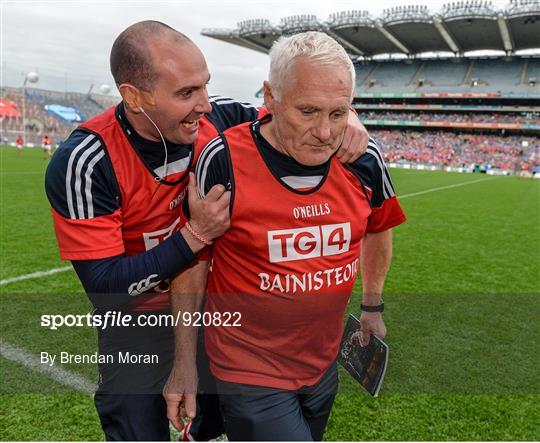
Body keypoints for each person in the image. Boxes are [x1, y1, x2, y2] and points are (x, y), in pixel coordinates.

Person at [44, 22, 370, 442]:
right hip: (138, 325)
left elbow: (301, 106)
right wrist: (194, 235)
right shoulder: (87, 162)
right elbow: (106, 288)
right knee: (136, 429)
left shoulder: (221, 115)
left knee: (212, 426)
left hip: (207, 312)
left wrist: (353, 117)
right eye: (185, 93)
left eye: (204, 86)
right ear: (134, 97)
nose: (204, 104)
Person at [166, 31, 406, 441]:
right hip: (246, 366)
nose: (326, 132)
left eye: (337, 113)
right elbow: (194, 260)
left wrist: (372, 305)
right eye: (308, 111)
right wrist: (184, 361)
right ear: (270, 97)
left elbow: (378, 229)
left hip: (323, 364)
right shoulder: (223, 159)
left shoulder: (363, 160)